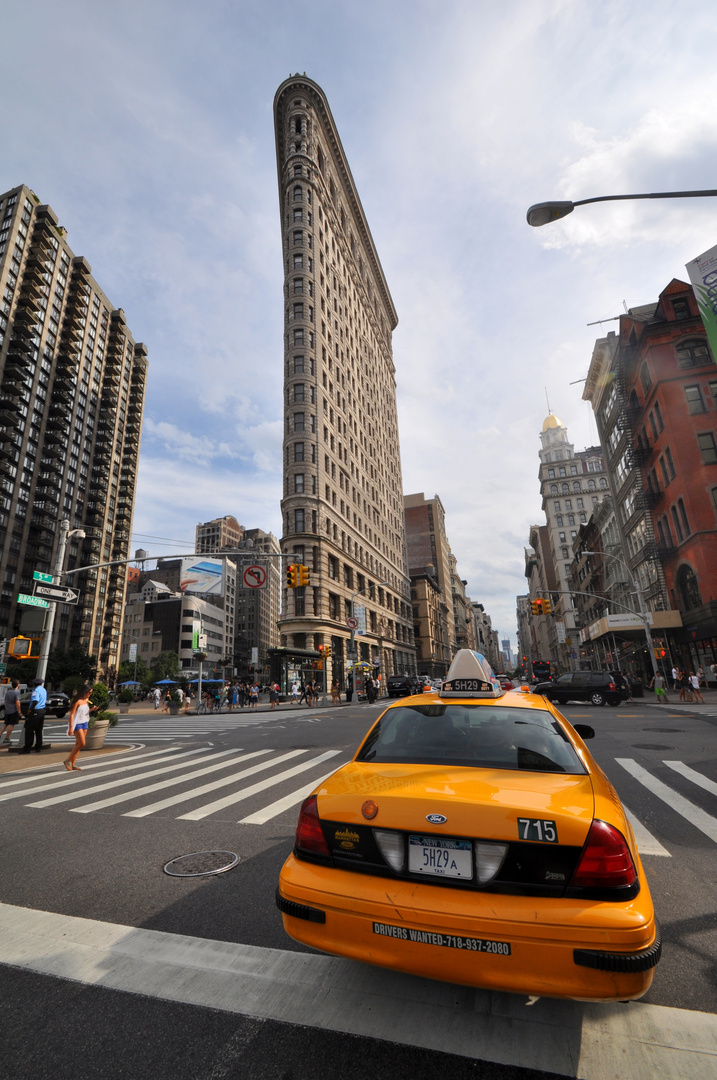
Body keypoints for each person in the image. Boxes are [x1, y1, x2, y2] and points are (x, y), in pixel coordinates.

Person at [64, 684, 97, 772]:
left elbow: (84, 712)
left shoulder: (86, 701)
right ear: (84, 692)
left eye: (91, 693)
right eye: (89, 693)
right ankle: (68, 761)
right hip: (77, 724)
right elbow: (72, 715)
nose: (90, 694)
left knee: (78, 745)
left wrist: (92, 710)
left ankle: (73, 763)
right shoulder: (77, 701)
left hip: (84, 723)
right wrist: (71, 728)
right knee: (82, 743)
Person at [21, 677, 47, 754]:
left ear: (34, 683)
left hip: (35, 711)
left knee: (29, 730)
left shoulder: (35, 690)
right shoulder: (44, 690)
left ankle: (27, 748)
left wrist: (30, 709)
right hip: (42, 711)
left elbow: (35, 701)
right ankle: (38, 747)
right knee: (38, 730)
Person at [0, 679, 23, 745]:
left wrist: (7, 708)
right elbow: (17, 702)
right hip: (13, 711)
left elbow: (5, 702)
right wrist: (19, 711)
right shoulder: (17, 692)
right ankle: (7, 738)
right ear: (17, 685)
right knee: (12, 724)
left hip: (7, 710)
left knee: (5, 724)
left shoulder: (8, 692)